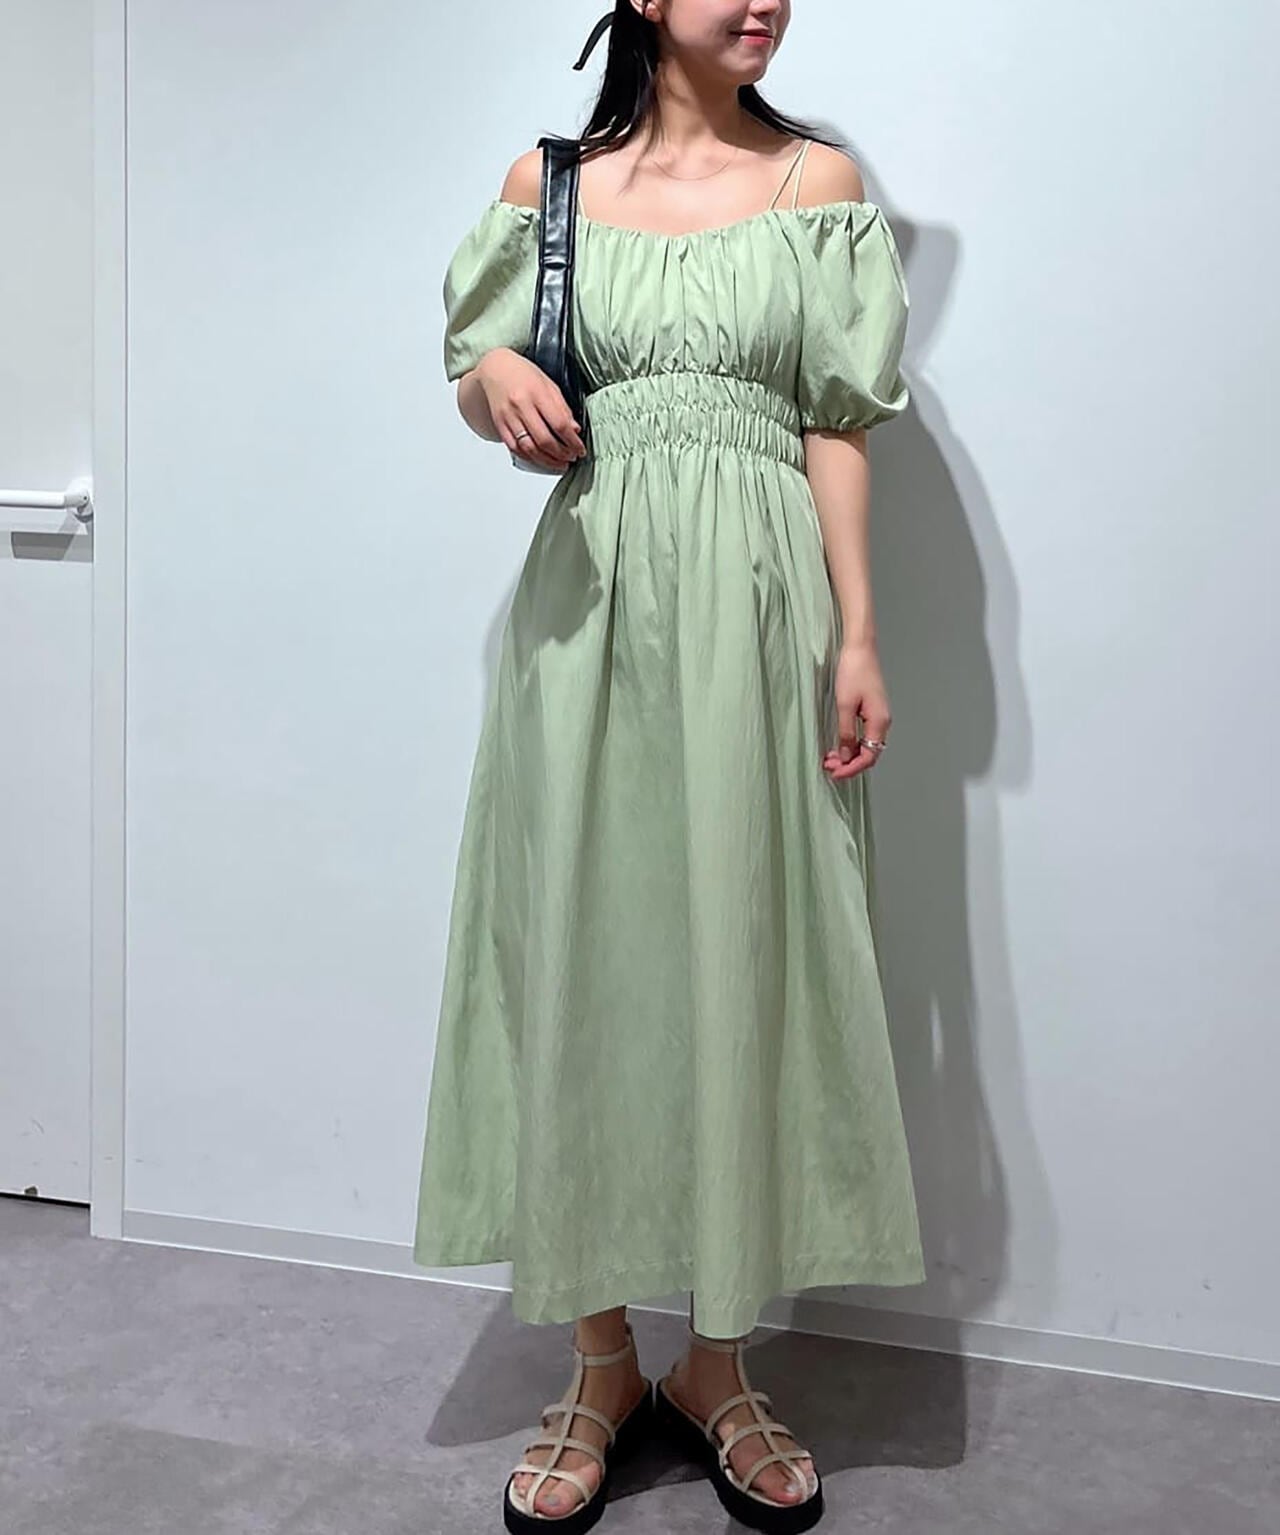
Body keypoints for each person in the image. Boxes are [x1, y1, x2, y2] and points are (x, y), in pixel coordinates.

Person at [412, 3, 925, 1530]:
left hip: (762, 615)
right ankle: (597, 1362)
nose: (764, 1)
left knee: (746, 956)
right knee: (577, 952)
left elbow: (839, 419)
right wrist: (492, 383)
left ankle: (715, 1362)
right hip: (590, 617)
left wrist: (858, 632)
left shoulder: (818, 186)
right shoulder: (550, 186)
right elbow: (480, 372)